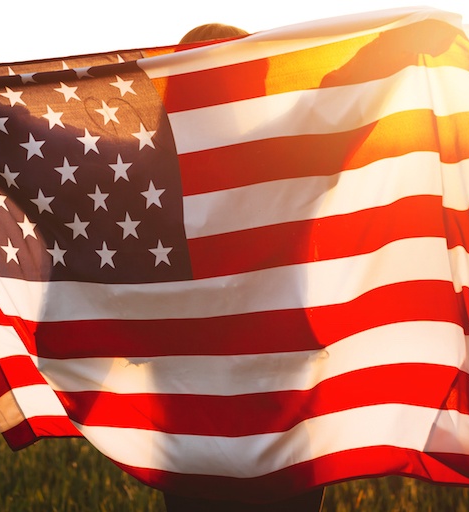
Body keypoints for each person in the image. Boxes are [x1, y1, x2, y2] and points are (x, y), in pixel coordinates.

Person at [159, 23, 326, 512]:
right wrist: (397, 45)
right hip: (285, 415)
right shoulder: (288, 154)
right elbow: (345, 98)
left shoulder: (137, 180)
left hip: (190, 425)